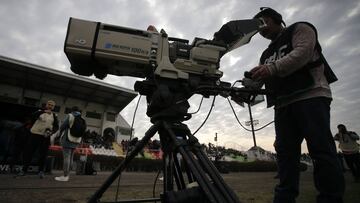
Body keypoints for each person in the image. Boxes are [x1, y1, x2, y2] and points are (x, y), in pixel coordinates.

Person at [250, 7, 344, 203]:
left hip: (311, 95)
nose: (261, 30)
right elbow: (261, 80)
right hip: (283, 103)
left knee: (320, 150)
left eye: (263, 23)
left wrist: (271, 68)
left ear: (276, 19)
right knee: (285, 156)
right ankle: (284, 199)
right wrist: (245, 88)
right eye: (258, 28)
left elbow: (302, 53)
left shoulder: (300, 28)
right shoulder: (266, 53)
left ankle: (330, 198)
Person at [17, 100, 59, 178]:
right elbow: (31, 116)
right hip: (34, 135)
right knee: (29, 153)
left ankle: (40, 171)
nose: (50, 106)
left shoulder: (54, 115)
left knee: (43, 155)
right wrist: (43, 112)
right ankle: (23, 170)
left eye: (52, 105)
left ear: (53, 107)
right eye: (49, 104)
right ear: (46, 105)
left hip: (45, 137)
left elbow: (56, 126)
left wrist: (51, 132)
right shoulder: (39, 111)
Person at [55, 106, 84, 182]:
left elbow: (63, 126)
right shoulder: (82, 118)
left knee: (66, 157)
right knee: (71, 157)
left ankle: (65, 176)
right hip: (76, 140)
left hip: (68, 139)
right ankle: (68, 174)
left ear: (72, 110)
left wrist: (58, 133)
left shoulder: (70, 116)